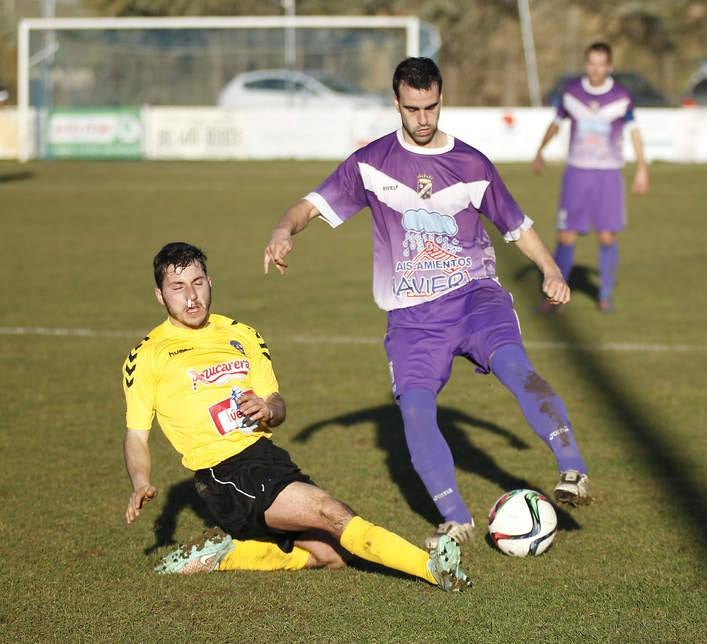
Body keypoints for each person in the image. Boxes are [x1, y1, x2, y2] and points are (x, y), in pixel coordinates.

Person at [264, 57, 591, 551]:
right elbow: (310, 205)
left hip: (476, 299)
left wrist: (549, 268)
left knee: (516, 367)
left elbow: (516, 227)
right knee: (416, 413)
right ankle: (455, 518)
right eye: (413, 108)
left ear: (441, 100)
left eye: (431, 106)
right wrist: (283, 230)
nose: (423, 118)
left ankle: (574, 470)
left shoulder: (471, 164)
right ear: (397, 103)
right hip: (413, 319)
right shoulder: (371, 163)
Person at [122, 241, 470, 591]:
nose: (191, 297)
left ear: (210, 282)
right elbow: (136, 435)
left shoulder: (242, 334)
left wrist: (268, 408)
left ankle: (230, 555)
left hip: (268, 458)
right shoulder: (148, 354)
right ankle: (432, 568)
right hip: (224, 472)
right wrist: (141, 481)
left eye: (197, 283)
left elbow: (277, 404)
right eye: (177, 288)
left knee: (332, 554)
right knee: (331, 512)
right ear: (160, 296)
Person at [532, 41, 650, 312]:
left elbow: (634, 131)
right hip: (577, 172)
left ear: (609, 66)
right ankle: (555, 295)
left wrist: (642, 167)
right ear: (586, 64)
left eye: (601, 63)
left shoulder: (621, 97)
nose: (595, 69)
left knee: (607, 236)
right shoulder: (572, 93)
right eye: (591, 63)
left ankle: (605, 295)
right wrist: (540, 150)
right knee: (565, 236)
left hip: (608, 175)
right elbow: (556, 123)